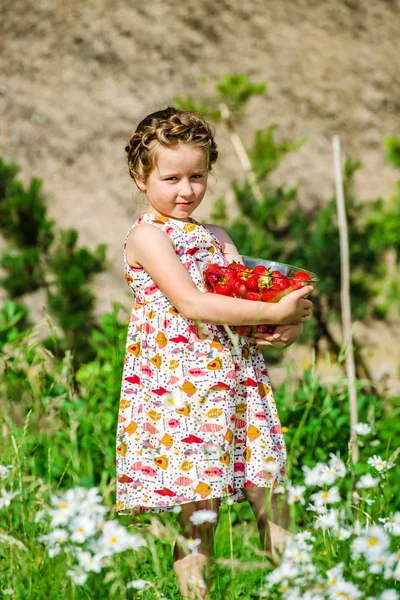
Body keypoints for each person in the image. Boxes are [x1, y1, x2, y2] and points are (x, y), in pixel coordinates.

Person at [116, 107, 313, 599]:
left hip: (239, 384)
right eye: (171, 177)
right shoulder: (148, 236)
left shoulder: (218, 237)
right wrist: (279, 311)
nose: (186, 190)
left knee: (270, 495)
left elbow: (247, 302)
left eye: (197, 176)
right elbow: (193, 303)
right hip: (184, 393)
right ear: (140, 177)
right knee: (199, 514)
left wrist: (281, 323)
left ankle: (306, 589)